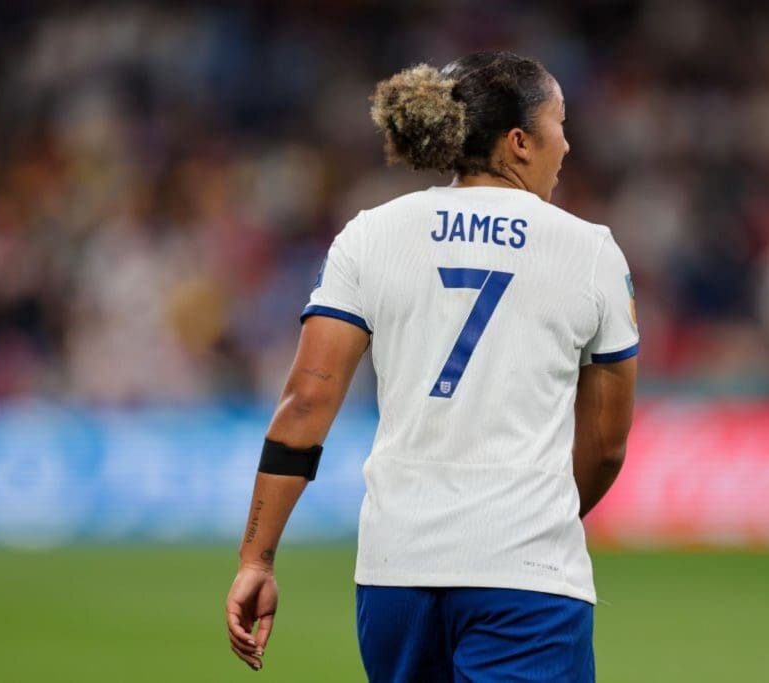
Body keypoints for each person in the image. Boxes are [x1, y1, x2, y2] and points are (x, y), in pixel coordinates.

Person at [225, 51, 638, 681]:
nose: (569, 144)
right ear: (521, 142)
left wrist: (257, 559)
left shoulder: (369, 234)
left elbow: (304, 408)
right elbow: (607, 445)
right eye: (559, 125)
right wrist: (530, 521)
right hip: (527, 579)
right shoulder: (591, 252)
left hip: (396, 574)